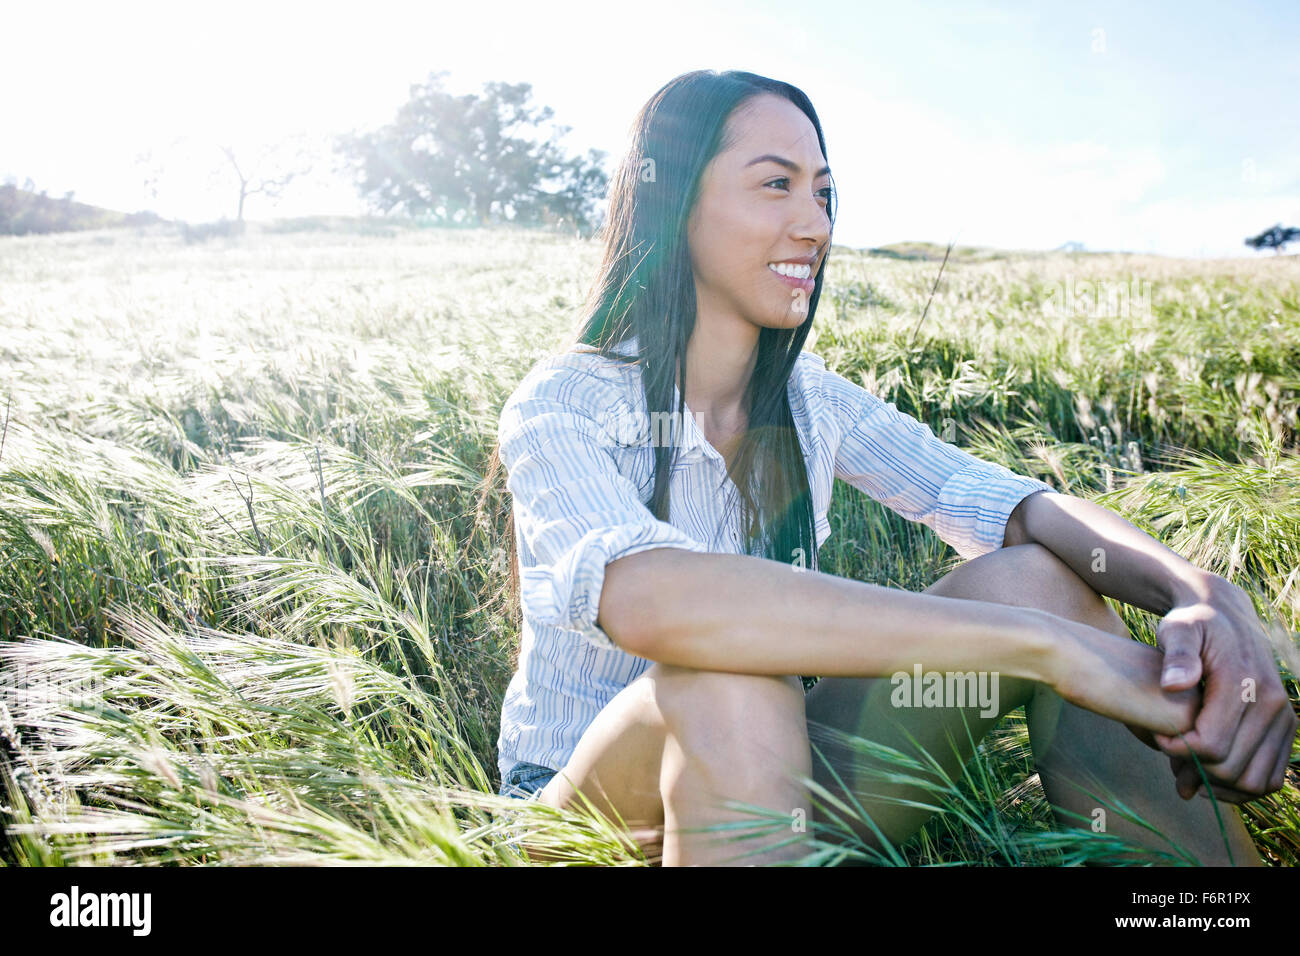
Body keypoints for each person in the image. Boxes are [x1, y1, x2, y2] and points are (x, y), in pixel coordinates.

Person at [480, 69, 1294, 866]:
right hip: (586, 827)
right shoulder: (565, 401)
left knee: (1046, 580)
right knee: (732, 679)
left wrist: (1204, 597)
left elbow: (1014, 506)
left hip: (775, 786)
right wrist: (1049, 651)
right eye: (776, 186)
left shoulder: (813, 402)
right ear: (674, 201)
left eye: (823, 194)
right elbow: (654, 601)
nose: (816, 225)